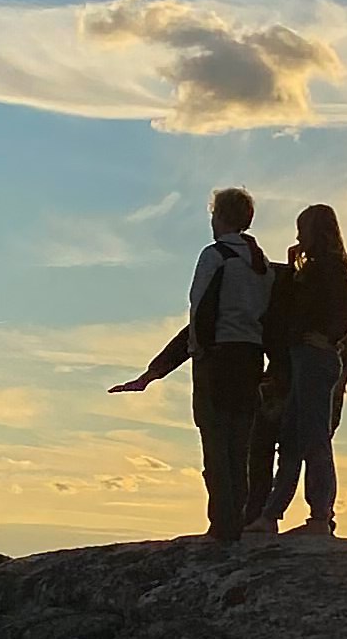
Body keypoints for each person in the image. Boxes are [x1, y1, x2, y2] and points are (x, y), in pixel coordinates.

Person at [110, 187, 274, 541]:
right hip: (250, 357)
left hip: (216, 358)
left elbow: (199, 313)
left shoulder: (214, 257)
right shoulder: (263, 265)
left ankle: (222, 524)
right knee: (239, 446)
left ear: (222, 217)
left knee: (215, 443)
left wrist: (174, 362)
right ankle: (239, 519)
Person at [255, 203, 347, 539]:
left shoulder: (330, 267)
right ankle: (272, 514)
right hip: (303, 357)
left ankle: (319, 515)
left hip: (316, 358)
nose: (299, 235)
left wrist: (328, 337)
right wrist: (292, 263)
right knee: (292, 436)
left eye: (303, 229)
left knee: (313, 437)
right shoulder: (315, 266)